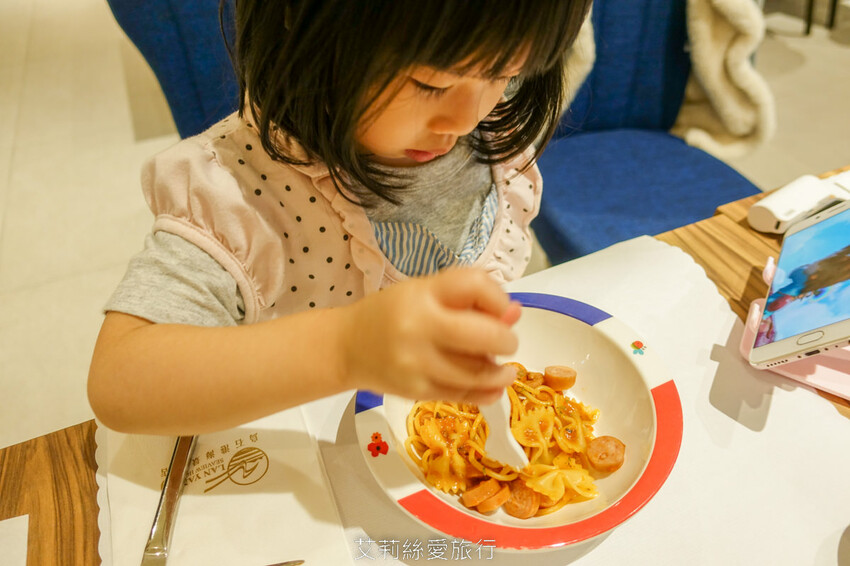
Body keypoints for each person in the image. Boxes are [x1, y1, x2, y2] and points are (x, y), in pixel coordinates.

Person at [88, 0, 593, 435]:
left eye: (504, 75)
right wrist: (346, 349)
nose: (464, 120)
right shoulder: (236, 192)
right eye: (431, 83)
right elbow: (119, 380)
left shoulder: (493, 139)